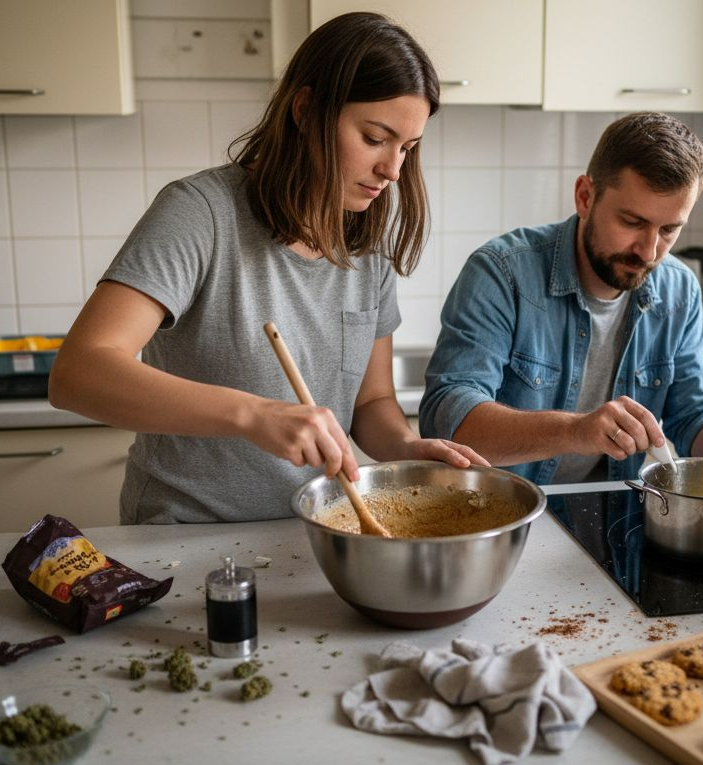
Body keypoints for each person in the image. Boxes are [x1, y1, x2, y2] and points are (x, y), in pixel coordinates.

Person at [49, 12, 485, 524]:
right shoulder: (201, 213)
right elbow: (77, 373)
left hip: (311, 533)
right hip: (182, 540)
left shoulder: (365, 246)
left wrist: (405, 449)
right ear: (306, 109)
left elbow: (370, 403)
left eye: (407, 149)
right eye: (374, 138)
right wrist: (253, 414)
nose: (392, 170)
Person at [419, 112, 703, 485]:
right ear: (585, 197)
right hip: (505, 514)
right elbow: (448, 418)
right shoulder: (503, 273)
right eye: (632, 222)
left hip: (610, 518)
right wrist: (576, 430)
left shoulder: (679, 289)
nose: (648, 250)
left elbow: (696, 415)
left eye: (670, 229)